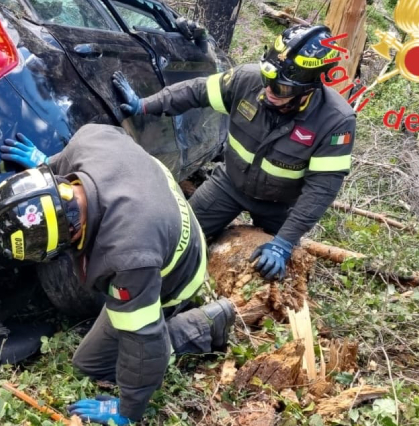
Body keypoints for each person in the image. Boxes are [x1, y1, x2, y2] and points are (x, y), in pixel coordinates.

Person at [0, 125, 235, 426]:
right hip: (164, 217)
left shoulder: (127, 260)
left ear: (70, 232)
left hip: (177, 273)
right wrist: (45, 162)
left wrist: (128, 410)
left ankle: (201, 325)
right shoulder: (90, 139)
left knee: (92, 364)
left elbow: (142, 338)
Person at [113, 25, 356, 280]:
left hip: (280, 205)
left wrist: (284, 242)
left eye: (281, 88)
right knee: (179, 238)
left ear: (310, 87)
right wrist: (145, 105)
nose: (269, 91)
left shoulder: (335, 121)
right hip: (229, 184)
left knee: (276, 276)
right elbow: (196, 91)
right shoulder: (246, 81)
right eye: (267, 79)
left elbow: (321, 190)